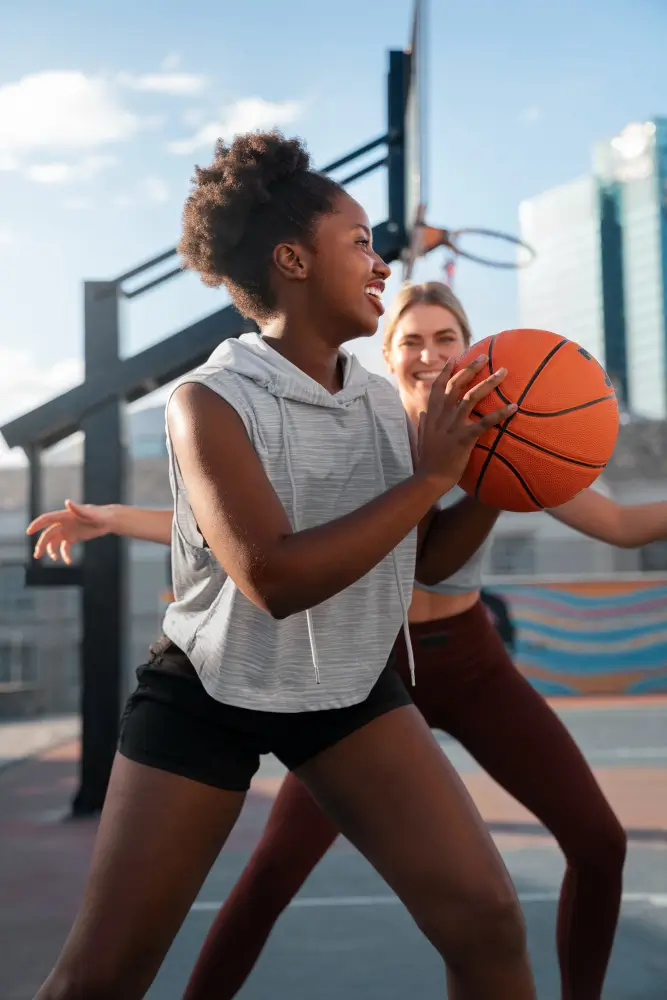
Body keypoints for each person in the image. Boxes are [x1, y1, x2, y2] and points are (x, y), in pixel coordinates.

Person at [32, 284, 667, 1000]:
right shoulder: (364, 423)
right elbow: (237, 525)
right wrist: (116, 515)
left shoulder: (513, 431)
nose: (429, 354)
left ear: (471, 348)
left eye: (445, 339)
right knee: (274, 871)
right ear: (388, 353)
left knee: (584, 850)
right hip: (369, 666)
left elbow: (620, 526)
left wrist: (490, 474)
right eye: (412, 341)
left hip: (468, 660)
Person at [31, 133, 541, 1000]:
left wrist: (500, 478)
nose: (379, 261)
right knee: (103, 974)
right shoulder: (208, 401)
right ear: (292, 260)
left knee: (485, 918)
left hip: (344, 689)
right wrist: (431, 476)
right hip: (210, 693)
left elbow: (418, 556)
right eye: (358, 242)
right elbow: (273, 579)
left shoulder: (378, 398)